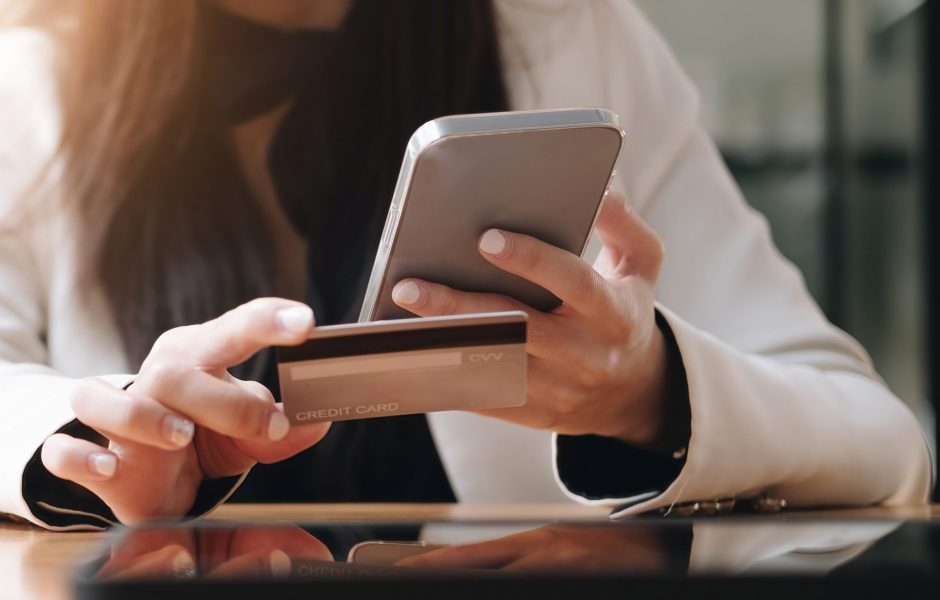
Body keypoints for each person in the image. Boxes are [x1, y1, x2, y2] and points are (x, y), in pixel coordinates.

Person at [0, 0, 931, 531]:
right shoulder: (27, 81)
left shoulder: (573, 35)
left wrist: (645, 394)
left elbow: (883, 443)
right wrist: (88, 450)